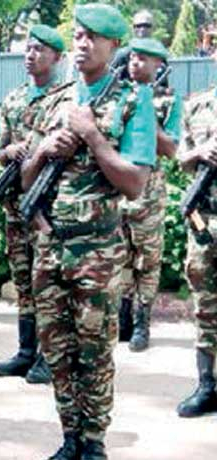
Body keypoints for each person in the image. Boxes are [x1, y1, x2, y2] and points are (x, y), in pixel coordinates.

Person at [20, 4, 156, 458]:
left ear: (113, 45)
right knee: (57, 350)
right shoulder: (56, 99)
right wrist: (41, 150)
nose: (81, 44)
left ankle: (94, 443)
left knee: (94, 354)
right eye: (77, 36)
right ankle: (70, 437)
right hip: (51, 246)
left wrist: (93, 137)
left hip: (97, 251)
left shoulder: (133, 102)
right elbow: (25, 183)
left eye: (92, 38)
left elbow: (135, 183)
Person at [0, 25, 65, 385]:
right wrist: (10, 152)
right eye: (28, 48)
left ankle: (49, 357)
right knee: (22, 277)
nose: (30, 54)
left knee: (47, 283)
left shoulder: (66, 100)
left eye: (39, 49)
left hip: (48, 209)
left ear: (57, 57)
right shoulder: (14, 99)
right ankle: (25, 351)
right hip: (16, 205)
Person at [119, 38, 182, 353]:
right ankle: (123, 321)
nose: (135, 63)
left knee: (148, 261)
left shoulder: (169, 101)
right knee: (121, 258)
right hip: (118, 191)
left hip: (150, 194)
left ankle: (142, 324)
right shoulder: (116, 96)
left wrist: (145, 113)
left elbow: (171, 149)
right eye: (132, 57)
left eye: (144, 59)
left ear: (160, 66)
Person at [174, 47, 217, 420]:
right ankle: (206, 386)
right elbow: (179, 159)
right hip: (205, 222)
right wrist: (201, 151)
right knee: (205, 306)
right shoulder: (197, 106)